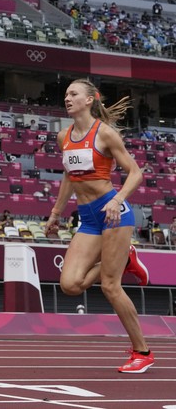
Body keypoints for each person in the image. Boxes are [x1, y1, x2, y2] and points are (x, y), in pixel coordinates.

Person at [44, 78, 153, 373]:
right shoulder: (63, 136)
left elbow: (135, 173)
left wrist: (117, 200)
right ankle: (124, 257)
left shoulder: (105, 134)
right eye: (66, 94)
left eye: (73, 94)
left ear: (90, 99)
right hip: (88, 218)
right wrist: (55, 213)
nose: (67, 98)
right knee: (70, 285)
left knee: (110, 286)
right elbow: (69, 175)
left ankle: (141, 351)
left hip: (114, 214)